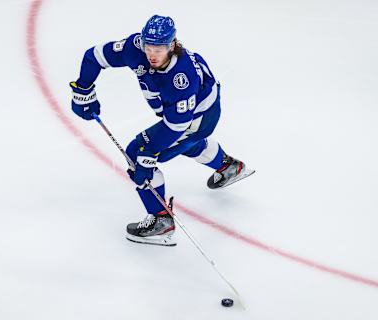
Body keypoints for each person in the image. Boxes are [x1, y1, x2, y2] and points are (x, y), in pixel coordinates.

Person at [70, 15, 251, 246]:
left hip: (199, 117)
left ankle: (161, 220)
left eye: (160, 48)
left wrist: (147, 156)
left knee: (138, 153)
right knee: (186, 144)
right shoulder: (134, 47)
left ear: (172, 45)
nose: (152, 54)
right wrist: (83, 88)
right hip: (183, 117)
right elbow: (94, 56)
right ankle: (228, 166)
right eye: (148, 47)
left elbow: (178, 125)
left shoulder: (181, 79)